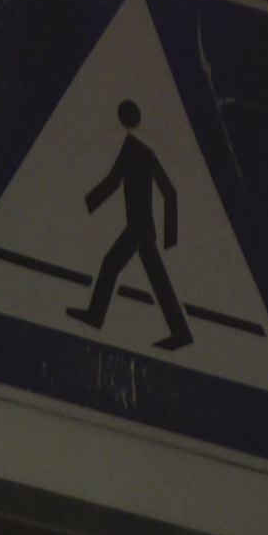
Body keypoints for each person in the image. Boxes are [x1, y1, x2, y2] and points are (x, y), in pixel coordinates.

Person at [66, 100, 194, 350]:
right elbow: (118, 182)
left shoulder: (134, 150)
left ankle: (97, 315)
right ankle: (179, 332)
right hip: (140, 227)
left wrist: (171, 239)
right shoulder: (139, 150)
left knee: (115, 266)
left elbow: (162, 191)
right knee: (147, 276)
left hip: (138, 228)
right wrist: (85, 205)